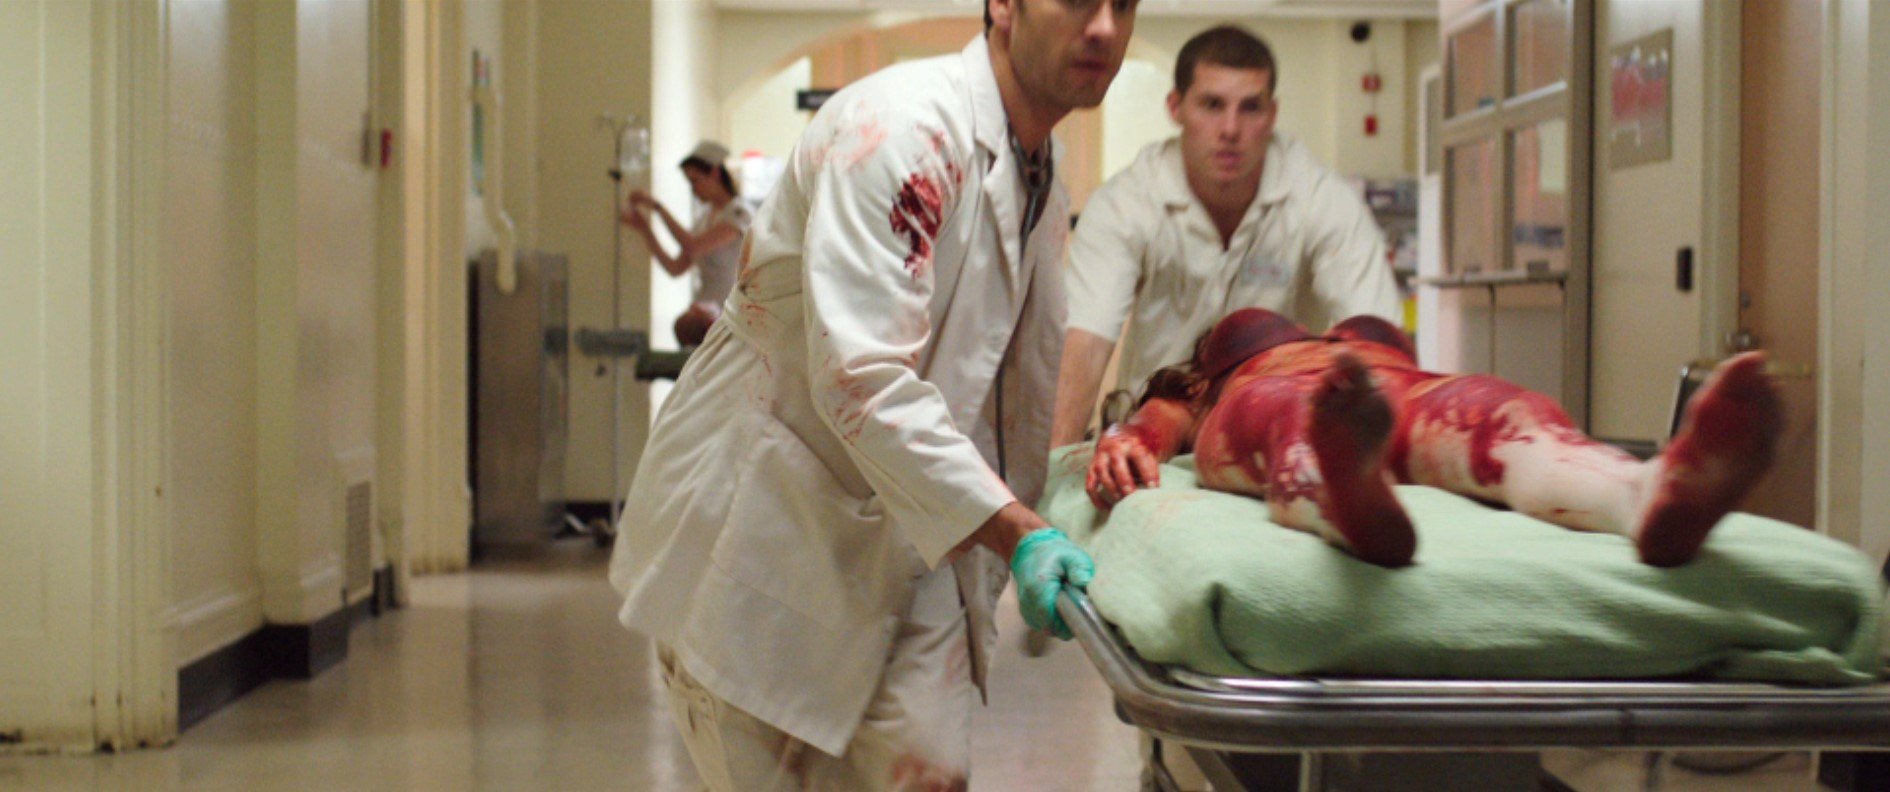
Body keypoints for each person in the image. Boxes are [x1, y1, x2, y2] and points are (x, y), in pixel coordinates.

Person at [608, 0, 1137, 788]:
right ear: (1003, 4)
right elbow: (862, 378)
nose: (1102, 28)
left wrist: (1037, 508)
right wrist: (1018, 532)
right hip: (774, 528)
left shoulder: (1038, 173)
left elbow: (1013, 382)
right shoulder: (899, 132)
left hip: (924, 542)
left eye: (1123, 4)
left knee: (932, 774)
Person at [1088, 308, 1783, 568]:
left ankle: (1644, 494)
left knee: (1506, 415)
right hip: (1289, 393)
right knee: (1292, 418)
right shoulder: (1208, 385)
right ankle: (1341, 490)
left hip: (1394, 392)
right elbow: (1156, 422)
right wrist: (1127, 438)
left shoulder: (1353, 349)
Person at [1053, 25, 1402, 447]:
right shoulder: (1126, 204)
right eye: (1212, 105)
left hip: (1275, 439)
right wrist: (1053, 473)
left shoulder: (1321, 200)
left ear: (1272, 114)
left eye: (1250, 107)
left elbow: (1383, 349)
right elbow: (1082, 349)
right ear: (1176, 107)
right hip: (1147, 435)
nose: (1230, 129)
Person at [620, 139, 753, 347]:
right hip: (704, 314)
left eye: (695, 181)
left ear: (715, 174)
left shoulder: (739, 213)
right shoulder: (704, 217)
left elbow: (693, 246)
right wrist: (644, 229)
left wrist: (658, 208)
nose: (694, 189)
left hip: (730, 314)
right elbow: (675, 267)